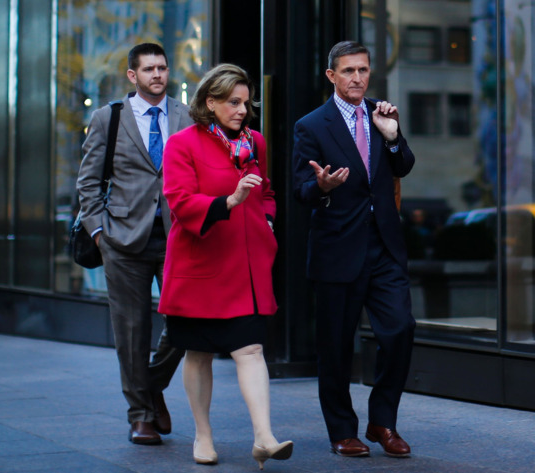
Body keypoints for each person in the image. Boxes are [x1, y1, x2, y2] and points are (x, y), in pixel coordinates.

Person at [158, 63, 293, 469]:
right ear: (210, 102)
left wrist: (266, 219)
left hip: (247, 268)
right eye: (233, 102)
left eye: (246, 102)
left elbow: (266, 192)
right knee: (197, 351)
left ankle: (264, 437)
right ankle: (203, 435)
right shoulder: (182, 144)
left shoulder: (256, 143)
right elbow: (180, 201)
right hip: (200, 266)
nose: (242, 110)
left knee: (250, 348)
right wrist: (229, 202)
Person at [292, 41, 416, 458]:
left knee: (399, 330)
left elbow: (403, 165)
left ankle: (383, 421)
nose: (357, 78)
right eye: (348, 71)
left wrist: (392, 137)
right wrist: (322, 186)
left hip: (384, 246)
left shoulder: (382, 112)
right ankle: (342, 430)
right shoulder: (311, 125)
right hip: (338, 248)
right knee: (336, 346)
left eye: (363, 70)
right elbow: (300, 190)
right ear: (332, 76)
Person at [76, 43, 192, 445]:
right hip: (122, 240)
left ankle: (151, 386)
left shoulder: (186, 115)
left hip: (178, 237)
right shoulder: (108, 117)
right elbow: (88, 182)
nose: (157, 75)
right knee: (131, 331)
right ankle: (140, 415)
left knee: (186, 322)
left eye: (162, 68)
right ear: (133, 75)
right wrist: (98, 233)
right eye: (148, 69)